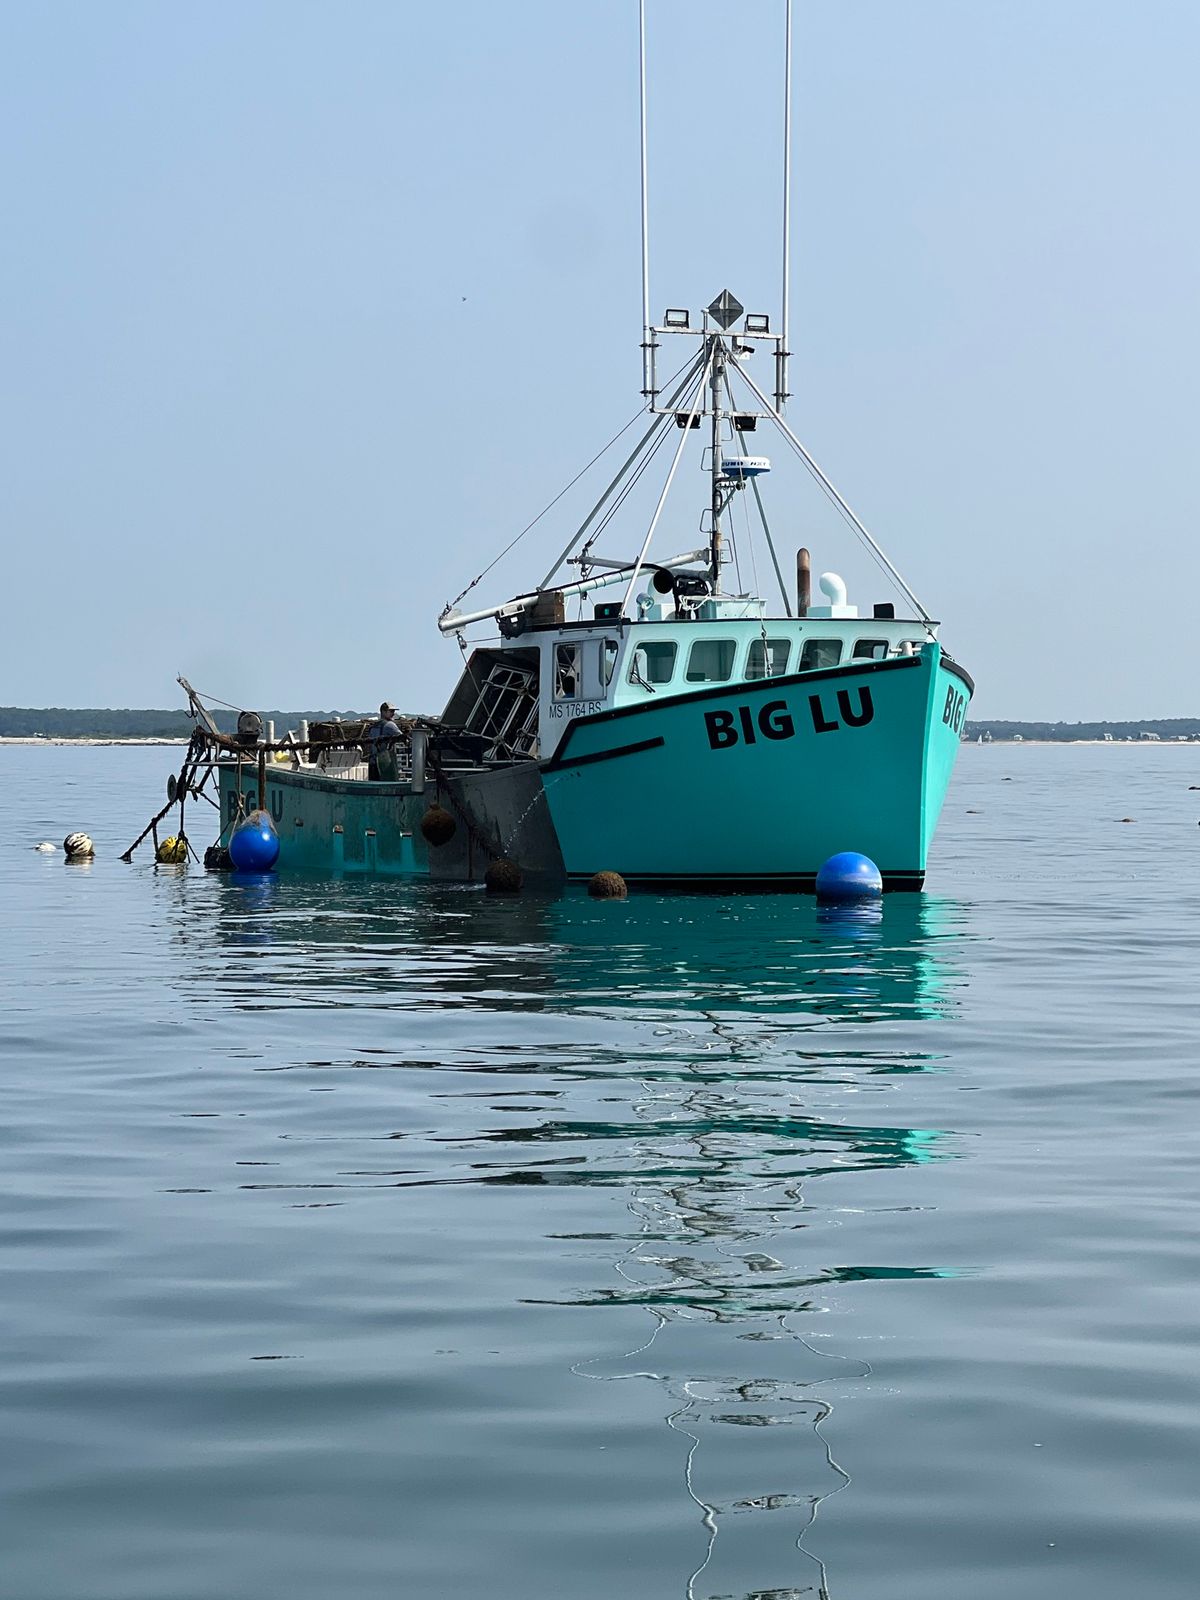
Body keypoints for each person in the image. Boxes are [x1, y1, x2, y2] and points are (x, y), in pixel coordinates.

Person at [365, 701, 402, 780]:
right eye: (391, 711)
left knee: (374, 788)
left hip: (372, 763)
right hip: (385, 764)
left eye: (394, 711)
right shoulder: (390, 725)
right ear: (383, 712)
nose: (393, 713)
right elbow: (402, 737)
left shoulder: (373, 726)